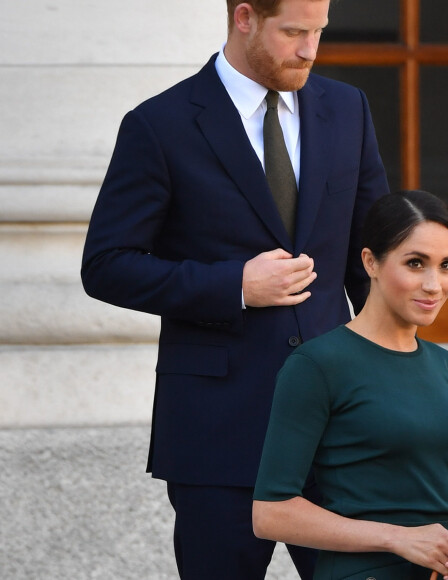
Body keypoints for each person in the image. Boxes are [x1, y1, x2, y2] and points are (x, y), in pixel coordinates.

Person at [80, 0, 389, 578]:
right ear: (244, 18)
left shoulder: (349, 109)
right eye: (293, 32)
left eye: (319, 31)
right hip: (216, 428)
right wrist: (234, 285)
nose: (310, 50)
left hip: (337, 427)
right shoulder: (159, 124)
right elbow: (105, 265)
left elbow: (369, 259)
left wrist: (388, 381)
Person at [253, 190, 448, 580]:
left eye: (447, 265)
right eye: (415, 263)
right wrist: (398, 538)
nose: (434, 284)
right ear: (370, 262)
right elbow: (270, 513)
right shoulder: (317, 364)